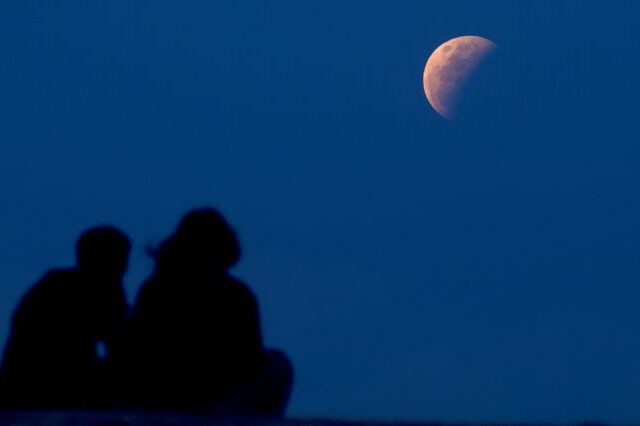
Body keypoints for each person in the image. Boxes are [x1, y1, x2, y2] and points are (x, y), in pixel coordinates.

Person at [125, 208, 292, 415]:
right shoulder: (236, 293)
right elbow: (251, 357)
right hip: (209, 391)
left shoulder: (154, 287)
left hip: (168, 390)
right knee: (277, 363)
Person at [0, 226, 130, 409]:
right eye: (118, 259)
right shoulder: (97, 291)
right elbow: (118, 344)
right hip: (45, 388)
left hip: (24, 387)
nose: (124, 268)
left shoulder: (51, 285)